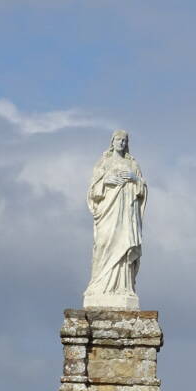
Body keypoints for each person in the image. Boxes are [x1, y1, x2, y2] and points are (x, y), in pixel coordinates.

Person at [83, 130, 147, 309]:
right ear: (112, 141)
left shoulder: (132, 164)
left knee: (124, 245)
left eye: (124, 140)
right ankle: (99, 285)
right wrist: (106, 181)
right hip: (108, 211)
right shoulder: (104, 162)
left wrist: (135, 179)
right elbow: (93, 191)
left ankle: (123, 287)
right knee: (104, 244)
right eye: (118, 139)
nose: (121, 143)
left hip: (127, 213)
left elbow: (143, 190)